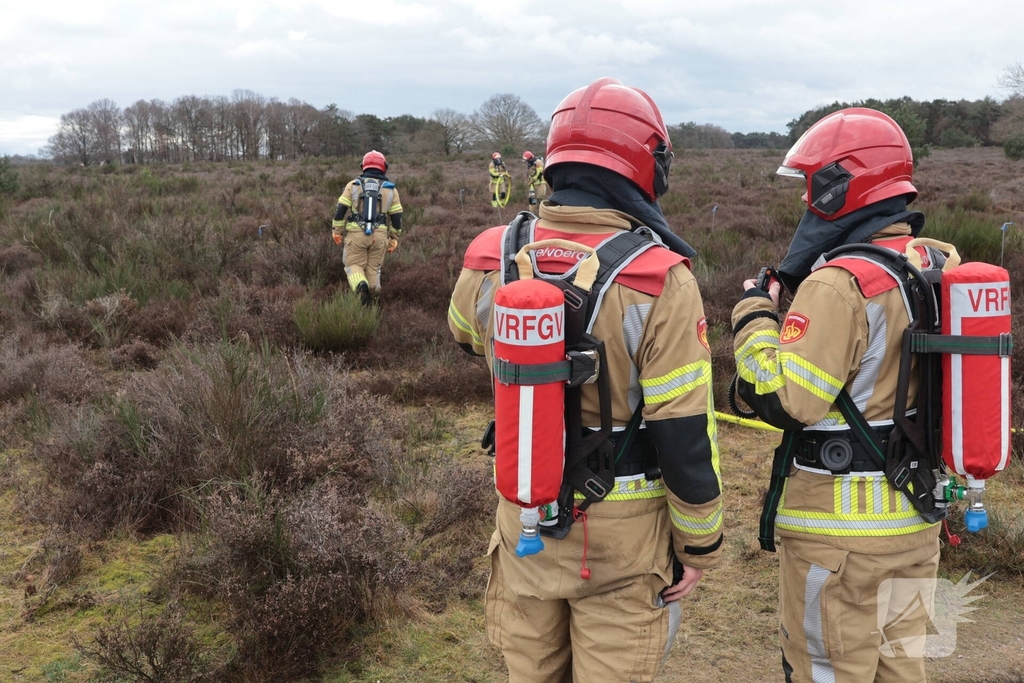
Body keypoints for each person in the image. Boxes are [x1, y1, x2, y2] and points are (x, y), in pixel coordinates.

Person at [448, 77, 723, 683]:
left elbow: (465, 333)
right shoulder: (661, 278)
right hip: (621, 546)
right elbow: (683, 430)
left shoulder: (492, 254)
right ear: (645, 164)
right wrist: (699, 544)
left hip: (524, 518)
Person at [731, 108, 945, 682]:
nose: (807, 200)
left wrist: (754, 316)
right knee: (903, 668)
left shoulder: (840, 284)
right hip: (917, 520)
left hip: (839, 540)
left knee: (825, 670)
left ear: (837, 186)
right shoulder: (935, 264)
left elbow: (788, 401)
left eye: (811, 185)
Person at [331, 150, 403, 305]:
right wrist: (394, 238)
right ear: (384, 167)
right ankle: (374, 302)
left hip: (356, 235)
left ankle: (360, 286)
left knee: (353, 265)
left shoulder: (353, 185)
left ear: (363, 166)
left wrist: (337, 231)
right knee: (374, 270)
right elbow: (397, 218)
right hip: (380, 236)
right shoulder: (391, 189)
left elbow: (340, 210)